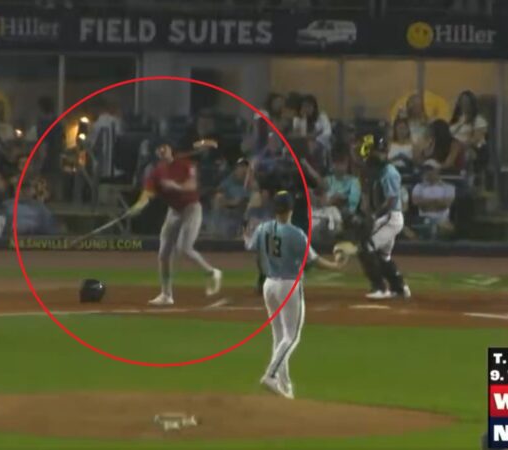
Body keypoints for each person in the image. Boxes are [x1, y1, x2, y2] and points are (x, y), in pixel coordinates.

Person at [243, 191, 346, 399]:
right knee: (292, 336)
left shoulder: (263, 228)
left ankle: (285, 387)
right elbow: (314, 261)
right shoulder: (296, 234)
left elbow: (251, 247)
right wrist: (336, 266)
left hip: (269, 285)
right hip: (289, 285)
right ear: (291, 209)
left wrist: (247, 235)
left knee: (279, 337)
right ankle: (270, 375)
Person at [130, 139, 223, 305]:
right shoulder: (156, 172)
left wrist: (174, 186)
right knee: (163, 254)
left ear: (170, 149)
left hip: (191, 209)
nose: (161, 151)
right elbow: (148, 193)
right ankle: (166, 295)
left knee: (184, 248)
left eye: (164, 147)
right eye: (158, 149)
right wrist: (138, 205)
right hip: (174, 211)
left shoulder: (186, 164)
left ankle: (211, 272)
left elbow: (192, 186)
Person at [356, 135, 411, 300]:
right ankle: (399, 288)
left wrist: (373, 216)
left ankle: (380, 287)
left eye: (378, 152)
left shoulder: (389, 172)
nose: (374, 155)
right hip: (384, 217)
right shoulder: (373, 170)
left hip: (390, 217)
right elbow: (368, 195)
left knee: (366, 248)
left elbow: (391, 200)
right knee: (382, 256)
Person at [411, 159, 456, 238]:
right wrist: (437, 201)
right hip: (423, 218)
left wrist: (425, 202)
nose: (428, 172)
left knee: (447, 228)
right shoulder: (418, 187)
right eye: (426, 170)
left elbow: (446, 204)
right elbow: (416, 202)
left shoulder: (449, 187)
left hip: (443, 219)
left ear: (437, 170)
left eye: (431, 169)